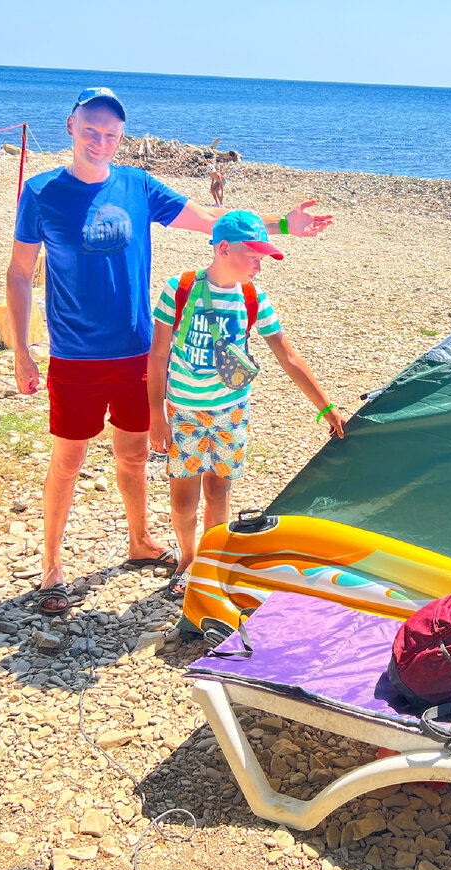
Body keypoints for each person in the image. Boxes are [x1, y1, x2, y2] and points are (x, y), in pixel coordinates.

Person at [6, 87, 332, 614]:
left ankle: (139, 542)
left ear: (121, 138)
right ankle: (52, 568)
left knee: (134, 453)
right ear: (71, 126)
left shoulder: (137, 185)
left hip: (136, 350)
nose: (101, 141)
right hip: (73, 355)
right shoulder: (41, 192)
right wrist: (23, 351)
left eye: (111, 134)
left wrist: (284, 226)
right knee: (68, 460)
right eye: (91, 130)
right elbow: (21, 274)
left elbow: (215, 226)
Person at [147, 210, 346, 597]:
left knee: (218, 492)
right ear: (223, 249)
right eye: (252, 255)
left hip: (233, 411)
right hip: (184, 411)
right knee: (183, 499)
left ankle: (209, 560)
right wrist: (156, 414)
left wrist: (325, 406)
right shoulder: (180, 288)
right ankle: (187, 558)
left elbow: (287, 355)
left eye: (262, 256)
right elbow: (156, 355)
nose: (259, 264)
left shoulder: (254, 298)